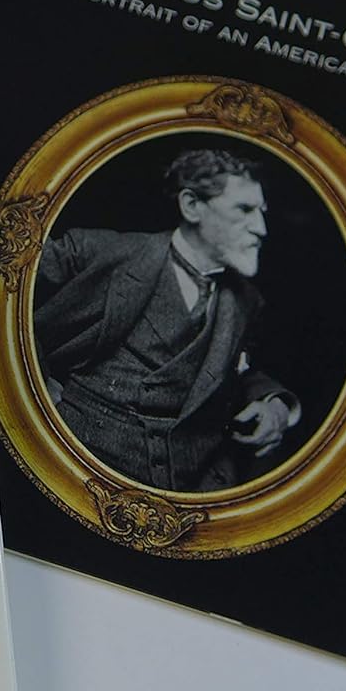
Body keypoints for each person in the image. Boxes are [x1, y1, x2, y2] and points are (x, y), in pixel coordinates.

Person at [33, 147, 299, 491]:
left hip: (192, 485)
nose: (261, 228)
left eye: (261, 212)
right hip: (74, 467)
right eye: (244, 209)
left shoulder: (248, 300)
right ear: (192, 206)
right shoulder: (96, 252)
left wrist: (275, 405)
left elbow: (236, 369)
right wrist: (32, 385)